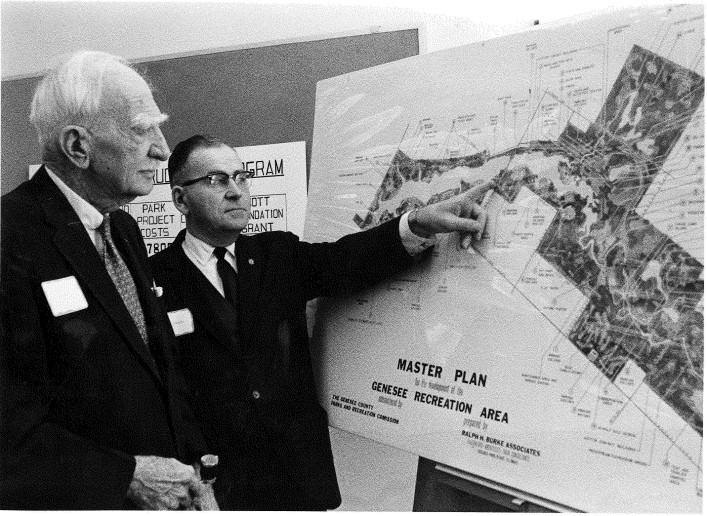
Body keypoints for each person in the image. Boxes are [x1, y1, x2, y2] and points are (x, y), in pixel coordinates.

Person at [149, 134, 492, 510]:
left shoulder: (276, 254)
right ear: (181, 199)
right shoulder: (153, 280)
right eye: (216, 180)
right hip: (216, 487)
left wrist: (420, 222)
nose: (235, 191)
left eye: (241, 177)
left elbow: (346, 261)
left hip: (295, 477)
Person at [0, 52, 218, 510]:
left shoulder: (122, 229)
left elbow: (158, 364)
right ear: (78, 146)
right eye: (142, 129)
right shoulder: (8, 239)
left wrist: (196, 472)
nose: (162, 149)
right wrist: (128, 478)